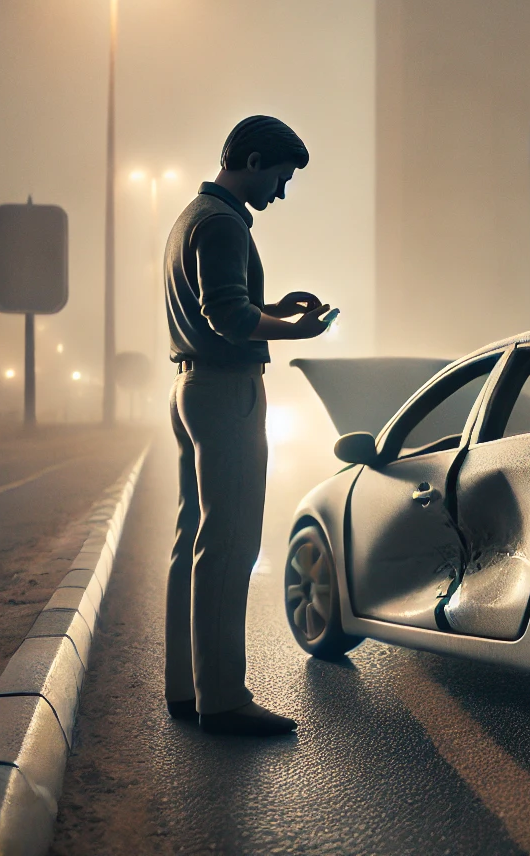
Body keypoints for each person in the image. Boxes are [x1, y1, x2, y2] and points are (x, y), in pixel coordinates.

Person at [163, 114, 332, 736]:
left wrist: (275, 307)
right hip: (227, 389)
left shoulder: (192, 217)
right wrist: (296, 330)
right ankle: (224, 699)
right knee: (230, 546)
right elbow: (230, 318)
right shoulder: (225, 224)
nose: (281, 193)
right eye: (281, 178)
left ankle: (187, 687)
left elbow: (221, 307)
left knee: (192, 544)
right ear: (254, 160)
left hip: (190, 385)